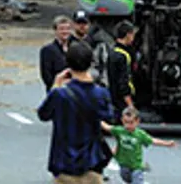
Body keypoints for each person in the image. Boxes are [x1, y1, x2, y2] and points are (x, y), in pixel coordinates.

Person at [37, 41, 116, 183]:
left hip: (64, 163)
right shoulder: (100, 93)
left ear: (67, 63)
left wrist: (55, 85)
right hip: (92, 162)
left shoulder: (60, 94)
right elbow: (109, 115)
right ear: (91, 63)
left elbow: (43, 114)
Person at [104, 106, 177, 183]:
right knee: (126, 178)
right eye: (126, 122)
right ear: (122, 120)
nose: (128, 126)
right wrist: (94, 117)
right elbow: (107, 127)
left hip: (136, 166)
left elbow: (152, 140)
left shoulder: (140, 134)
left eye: (131, 122)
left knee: (137, 180)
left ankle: (142, 169)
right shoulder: (119, 131)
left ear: (137, 121)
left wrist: (167, 143)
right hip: (123, 164)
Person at [107, 21, 138, 117]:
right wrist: (130, 105)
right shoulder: (123, 56)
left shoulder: (113, 51)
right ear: (128, 35)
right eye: (132, 34)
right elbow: (123, 82)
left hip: (113, 98)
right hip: (122, 102)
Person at [41, 15, 76, 92]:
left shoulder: (76, 48)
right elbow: (47, 78)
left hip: (75, 92)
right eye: (61, 29)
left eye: (68, 29)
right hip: (57, 92)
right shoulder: (47, 50)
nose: (65, 32)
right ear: (55, 31)